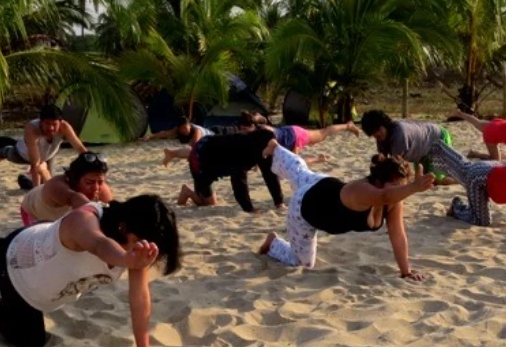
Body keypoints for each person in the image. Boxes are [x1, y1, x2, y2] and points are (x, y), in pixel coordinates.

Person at [0, 194, 181, 347]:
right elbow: (98, 244)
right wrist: (126, 259)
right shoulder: (84, 220)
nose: (143, 256)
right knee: (31, 341)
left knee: (44, 252)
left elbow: (140, 298)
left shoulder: (136, 247)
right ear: (123, 227)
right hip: (17, 267)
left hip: (42, 249)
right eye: (138, 246)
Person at [256, 138, 434, 279]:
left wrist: (406, 272)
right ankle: (273, 244)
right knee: (302, 263)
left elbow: (398, 234)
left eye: (401, 186)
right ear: (378, 182)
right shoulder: (362, 191)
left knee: (301, 172)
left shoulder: (394, 199)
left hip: (321, 183)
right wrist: (413, 188)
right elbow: (384, 196)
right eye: (396, 186)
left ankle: (276, 149)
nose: (400, 191)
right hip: (305, 206)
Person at [176, 126, 284, 213]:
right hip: (200, 157)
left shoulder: (263, 148)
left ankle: (198, 193)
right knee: (208, 203)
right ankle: (187, 192)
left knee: (210, 200)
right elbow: (239, 182)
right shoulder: (243, 150)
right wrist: (249, 209)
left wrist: (279, 202)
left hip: (214, 155)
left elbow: (269, 174)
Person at [0, 104, 87, 189]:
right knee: (9, 153)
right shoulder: (32, 129)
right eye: (47, 124)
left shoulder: (65, 127)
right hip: (22, 154)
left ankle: (27, 182)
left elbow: (79, 148)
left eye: (54, 124)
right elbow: (35, 164)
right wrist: (36, 192)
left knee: (48, 183)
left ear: (60, 122)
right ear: (41, 122)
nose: (51, 128)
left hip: (48, 155)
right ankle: (3, 151)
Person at [360, 109, 456, 185]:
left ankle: (459, 180)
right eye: (374, 133)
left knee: (438, 180)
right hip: (421, 151)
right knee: (425, 180)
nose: (377, 134)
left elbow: (397, 166)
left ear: (384, 125)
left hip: (438, 138)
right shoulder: (381, 137)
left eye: (379, 129)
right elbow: (382, 161)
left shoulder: (399, 134)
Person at [20, 152, 114, 226]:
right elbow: (78, 200)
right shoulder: (58, 186)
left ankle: (44, 171)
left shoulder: (102, 189)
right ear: (75, 179)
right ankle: (43, 171)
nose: (96, 188)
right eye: (89, 182)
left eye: (100, 182)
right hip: (33, 212)